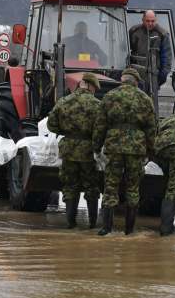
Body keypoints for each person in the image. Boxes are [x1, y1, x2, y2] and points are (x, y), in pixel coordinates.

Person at [94, 68, 156, 236]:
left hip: (114, 146)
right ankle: (129, 230)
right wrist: (151, 150)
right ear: (136, 81)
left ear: (122, 80)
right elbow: (151, 128)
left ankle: (106, 228)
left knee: (111, 186)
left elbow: (100, 125)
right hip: (136, 148)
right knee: (133, 187)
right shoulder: (145, 99)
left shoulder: (110, 96)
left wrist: (96, 146)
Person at [47, 72, 104, 229]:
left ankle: (71, 223)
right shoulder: (97, 105)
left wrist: (65, 132)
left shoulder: (64, 101)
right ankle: (92, 223)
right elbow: (101, 129)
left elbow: (51, 124)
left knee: (70, 185)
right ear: (90, 85)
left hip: (68, 149)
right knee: (91, 186)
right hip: (88, 150)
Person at [129, 10, 172, 90]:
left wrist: (160, 78)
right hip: (135, 76)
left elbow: (166, 58)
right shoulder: (134, 32)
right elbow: (125, 50)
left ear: (156, 20)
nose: (150, 23)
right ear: (143, 19)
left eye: (152, 21)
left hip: (154, 76)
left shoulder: (162, 34)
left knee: (151, 100)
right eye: (147, 21)